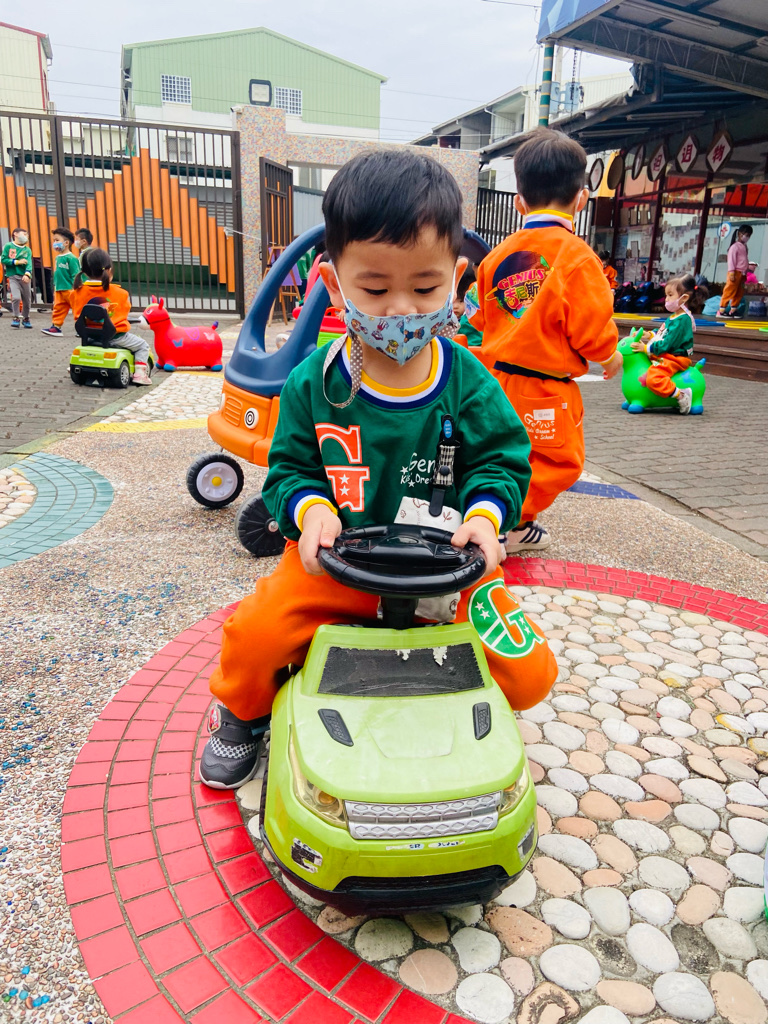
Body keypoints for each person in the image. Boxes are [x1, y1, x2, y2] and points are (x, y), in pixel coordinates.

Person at [200, 149, 557, 789]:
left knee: (530, 674)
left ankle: (463, 712)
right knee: (254, 637)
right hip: (334, 568)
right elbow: (290, 471)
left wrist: (485, 517)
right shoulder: (315, 383)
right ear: (335, 284)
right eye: (374, 288)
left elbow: (501, 460)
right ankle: (242, 715)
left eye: (424, 288)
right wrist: (311, 512)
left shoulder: (469, 382)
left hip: (446, 569)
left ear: (457, 279)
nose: (400, 310)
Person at [454, 128, 621, 553]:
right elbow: (591, 327)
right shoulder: (578, 258)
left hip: (495, 380)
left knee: (500, 452)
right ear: (581, 199)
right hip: (545, 387)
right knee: (555, 461)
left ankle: (494, 515)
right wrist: (610, 356)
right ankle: (505, 524)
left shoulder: (495, 256)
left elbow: (477, 318)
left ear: (519, 202)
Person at [70, 248, 152, 385]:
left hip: (89, 336)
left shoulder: (76, 292)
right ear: (108, 270)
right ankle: (139, 374)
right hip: (115, 336)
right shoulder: (120, 293)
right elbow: (124, 311)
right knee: (142, 345)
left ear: (85, 271)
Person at [631, 273, 707, 415]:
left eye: (670, 295)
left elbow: (667, 343)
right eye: (666, 295)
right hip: (667, 354)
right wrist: (649, 334)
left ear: (684, 298)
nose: (666, 299)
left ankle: (681, 395)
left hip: (675, 358)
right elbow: (663, 333)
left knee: (654, 378)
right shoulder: (674, 316)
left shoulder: (682, 320)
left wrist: (646, 348)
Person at [41, 227, 81, 336]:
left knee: (77, 309)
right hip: (59, 289)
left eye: (57, 240)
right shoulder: (58, 258)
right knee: (58, 308)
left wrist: (76, 288)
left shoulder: (71, 258)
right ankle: (56, 327)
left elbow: (76, 274)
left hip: (70, 289)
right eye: (54, 240)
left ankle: (81, 328)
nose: (54, 243)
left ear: (66, 243)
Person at [1, 227, 33, 328]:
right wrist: (16, 262)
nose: (26, 236)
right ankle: (16, 317)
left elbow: (29, 263)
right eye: (24, 234)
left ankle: (26, 318)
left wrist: (27, 274)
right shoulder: (9, 246)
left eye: (27, 235)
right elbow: (3, 259)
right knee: (16, 297)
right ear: (15, 234)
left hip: (24, 277)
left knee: (27, 299)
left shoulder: (27, 250)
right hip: (13, 276)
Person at [718, 224, 753, 318]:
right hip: (735, 272)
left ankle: (733, 310)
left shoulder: (744, 246)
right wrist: (731, 272)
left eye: (749, 235)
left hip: (742, 273)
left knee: (739, 292)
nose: (747, 237)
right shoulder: (734, 247)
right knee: (729, 290)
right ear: (739, 234)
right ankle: (722, 310)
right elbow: (731, 260)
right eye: (745, 235)